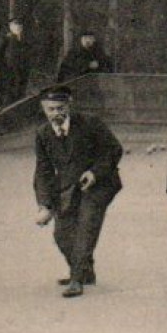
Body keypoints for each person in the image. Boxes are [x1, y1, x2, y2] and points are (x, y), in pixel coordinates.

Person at [33, 84, 124, 297]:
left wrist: (94, 172)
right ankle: (85, 270)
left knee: (86, 227)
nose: (56, 114)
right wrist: (44, 204)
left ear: (69, 105)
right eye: (50, 109)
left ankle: (76, 279)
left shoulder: (90, 124)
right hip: (68, 187)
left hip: (100, 185)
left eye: (60, 108)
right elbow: (43, 171)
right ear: (43, 109)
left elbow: (114, 150)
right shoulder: (43, 134)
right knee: (62, 234)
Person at [0, 16, 31, 105]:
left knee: (21, 89)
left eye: (20, 25)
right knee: (11, 91)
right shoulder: (6, 39)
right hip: (10, 69)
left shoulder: (24, 40)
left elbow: (28, 54)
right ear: (10, 27)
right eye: (15, 25)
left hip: (23, 68)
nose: (18, 27)